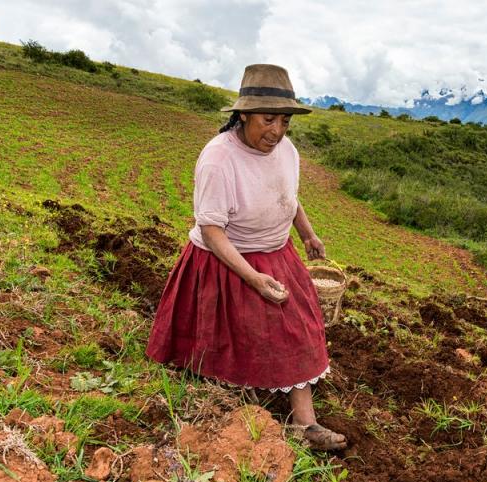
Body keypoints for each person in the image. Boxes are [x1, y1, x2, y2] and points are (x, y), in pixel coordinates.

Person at [146, 64, 346, 451]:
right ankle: (297, 423)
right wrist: (252, 277)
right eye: (268, 119)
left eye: (285, 121)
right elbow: (212, 231)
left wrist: (307, 233)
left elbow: (288, 195)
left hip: (279, 251)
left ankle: (302, 424)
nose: (277, 131)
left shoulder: (286, 150)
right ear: (243, 115)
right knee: (242, 334)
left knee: (300, 326)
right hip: (229, 257)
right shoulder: (219, 159)